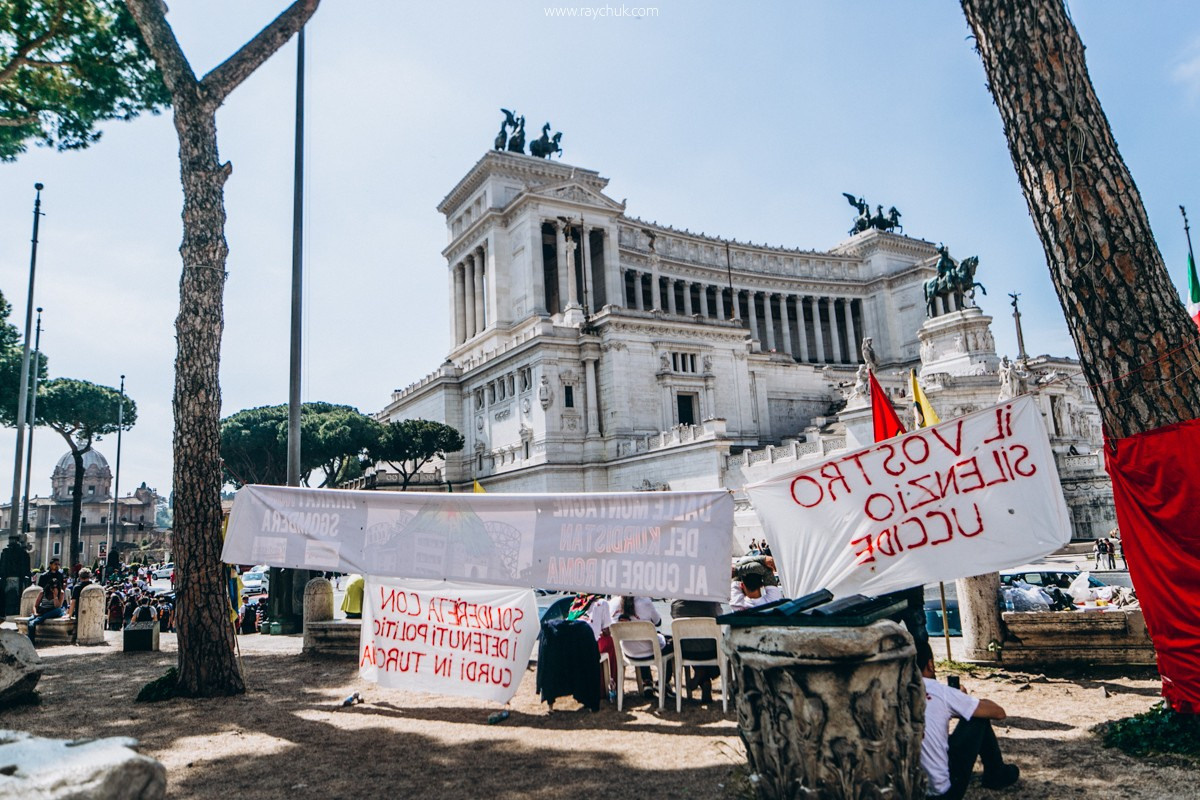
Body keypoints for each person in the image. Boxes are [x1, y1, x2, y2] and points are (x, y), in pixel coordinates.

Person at [917, 639, 1020, 799]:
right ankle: (996, 773)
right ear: (930, 665)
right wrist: (962, 700)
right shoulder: (939, 691)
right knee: (977, 718)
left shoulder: (887, 693)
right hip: (942, 794)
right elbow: (999, 713)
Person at [610, 595, 673, 696]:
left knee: (641, 641)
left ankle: (647, 682)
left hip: (628, 651)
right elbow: (658, 622)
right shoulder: (645, 602)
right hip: (648, 651)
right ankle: (663, 683)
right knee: (670, 644)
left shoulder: (612, 603)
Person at [670, 597, 723, 703]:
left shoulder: (676, 603)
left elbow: (673, 617)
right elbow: (720, 616)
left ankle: (702, 676)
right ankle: (704, 677)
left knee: (690, 639)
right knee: (717, 639)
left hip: (686, 651)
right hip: (711, 651)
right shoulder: (711, 600)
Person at [568, 593, 616, 690]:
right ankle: (610, 685)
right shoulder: (602, 603)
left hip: (572, 645)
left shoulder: (575, 602)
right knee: (609, 642)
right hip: (589, 646)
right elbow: (606, 631)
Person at [27, 557, 68, 644]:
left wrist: (56, 595)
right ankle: (30, 640)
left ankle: (37, 621)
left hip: (54, 606)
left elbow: (58, 604)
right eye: (55, 564)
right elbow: (39, 593)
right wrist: (35, 613)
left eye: (58, 564)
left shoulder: (60, 576)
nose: (57, 566)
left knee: (57, 609)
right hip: (45, 606)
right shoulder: (44, 576)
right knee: (30, 620)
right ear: (50, 565)